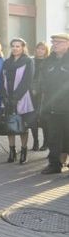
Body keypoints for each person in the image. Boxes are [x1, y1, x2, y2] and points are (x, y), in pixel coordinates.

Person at [0, 38, 35, 164]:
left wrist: (16, 98)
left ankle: (23, 151)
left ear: (23, 47)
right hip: (7, 98)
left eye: (18, 46)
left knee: (22, 126)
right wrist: (4, 95)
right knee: (10, 125)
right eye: (13, 46)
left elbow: (27, 81)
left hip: (22, 98)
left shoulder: (28, 61)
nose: (15, 48)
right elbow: (1, 80)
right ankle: (12, 151)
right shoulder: (6, 62)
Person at [39, 33, 69, 174]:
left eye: (59, 42)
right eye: (54, 42)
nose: (55, 44)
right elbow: (42, 81)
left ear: (67, 44)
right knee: (53, 137)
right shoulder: (48, 61)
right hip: (52, 107)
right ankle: (54, 164)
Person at [31, 41, 50, 151]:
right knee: (32, 119)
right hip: (31, 93)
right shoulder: (31, 61)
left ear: (46, 51)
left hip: (43, 94)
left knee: (43, 119)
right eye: (38, 48)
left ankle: (46, 142)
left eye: (42, 49)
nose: (40, 51)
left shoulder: (48, 62)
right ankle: (35, 142)